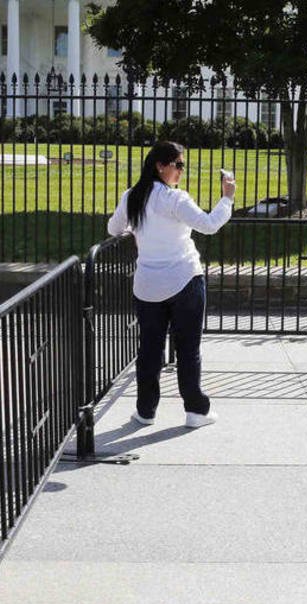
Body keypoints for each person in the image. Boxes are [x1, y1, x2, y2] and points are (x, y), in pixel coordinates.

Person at [107, 140, 236, 427]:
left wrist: (138, 228)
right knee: (188, 348)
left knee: (149, 349)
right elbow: (210, 224)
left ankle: (146, 411)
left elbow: (113, 228)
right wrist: (227, 197)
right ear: (160, 166)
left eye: (182, 165)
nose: (181, 170)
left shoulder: (132, 197)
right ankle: (195, 410)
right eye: (177, 165)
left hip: (148, 284)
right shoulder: (175, 199)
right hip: (184, 280)